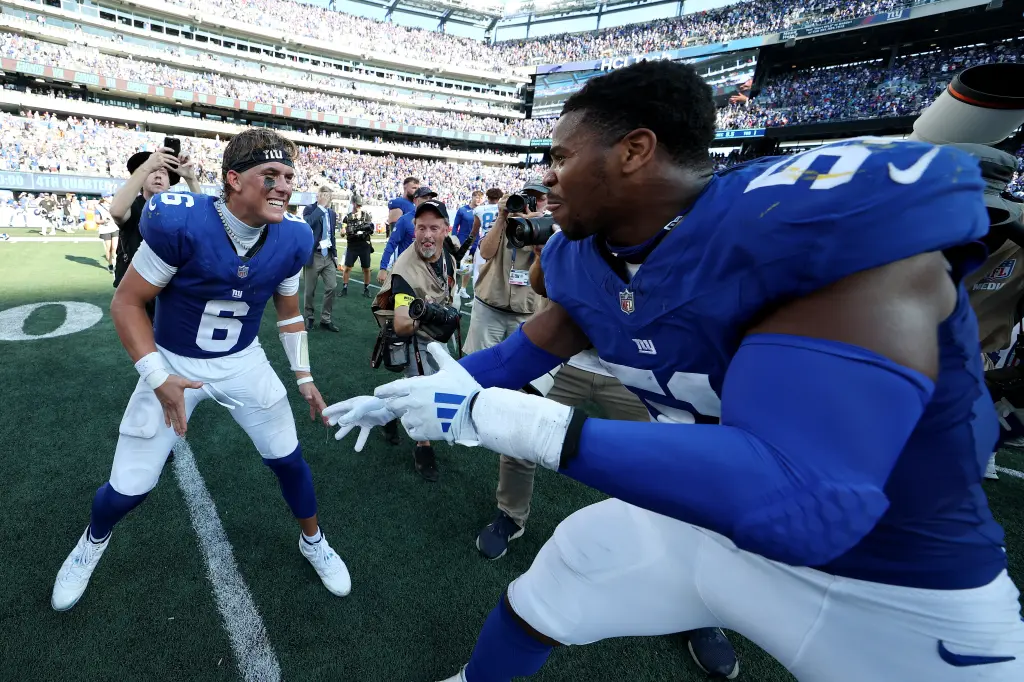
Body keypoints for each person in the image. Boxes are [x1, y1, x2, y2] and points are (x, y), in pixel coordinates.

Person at [326, 60, 1024, 682]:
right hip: (700, 525)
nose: (546, 176)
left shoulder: (806, 232)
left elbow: (805, 500)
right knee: (556, 582)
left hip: (897, 583)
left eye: (559, 156)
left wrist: (509, 419)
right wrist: (420, 392)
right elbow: (516, 357)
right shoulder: (584, 258)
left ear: (634, 150)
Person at [51, 128, 351, 613]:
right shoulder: (182, 222)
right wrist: (158, 377)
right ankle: (92, 540)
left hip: (243, 360)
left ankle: (313, 540)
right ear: (233, 180)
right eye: (269, 175)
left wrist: (304, 377)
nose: (283, 186)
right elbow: (127, 303)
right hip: (173, 360)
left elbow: (289, 311)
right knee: (129, 486)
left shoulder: (294, 236)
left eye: (289, 176)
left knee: (288, 458)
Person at [368, 199, 461, 481]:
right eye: (421, 228)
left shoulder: (447, 249)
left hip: (436, 335)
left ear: (446, 229)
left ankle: (386, 414)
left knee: (410, 390)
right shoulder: (406, 268)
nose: (427, 235)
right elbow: (403, 323)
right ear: (414, 229)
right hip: (414, 337)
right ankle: (423, 446)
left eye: (434, 227)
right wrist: (432, 312)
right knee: (425, 393)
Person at [111, 144, 202, 318]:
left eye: (165, 172)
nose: (159, 175)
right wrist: (146, 166)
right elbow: (116, 211)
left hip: (169, 290)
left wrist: (191, 179)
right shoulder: (134, 206)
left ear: (170, 184)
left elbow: (204, 220)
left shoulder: (178, 208)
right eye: (154, 171)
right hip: (136, 293)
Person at [463, 180, 546, 353]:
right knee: (478, 364)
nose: (533, 203)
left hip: (526, 312)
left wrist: (536, 227)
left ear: (548, 202)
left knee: (518, 370)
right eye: (529, 197)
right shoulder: (504, 221)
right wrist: (502, 217)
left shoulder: (552, 226)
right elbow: (485, 253)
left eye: (539, 198)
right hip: (490, 307)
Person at [378, 186, 438, 284]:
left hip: (427, 272)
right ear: (415, 200)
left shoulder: (434, 220)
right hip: (405, 272)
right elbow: (391, 244)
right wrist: (383, 268)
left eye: (430, 198)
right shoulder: (404, 220)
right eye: (424, 198)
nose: (428, 201)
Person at [302, 186, 340, 332]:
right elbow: (307, 224)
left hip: (328, 255)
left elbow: (332, 235)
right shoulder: (310, 209)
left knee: (332, 286)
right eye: (323, 195)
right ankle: (309, 317)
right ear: (318, 195)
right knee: (310, 290)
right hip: (314, 255)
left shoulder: (332, 213)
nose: (326, 198)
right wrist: (321, 208)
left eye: (328, 196)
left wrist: (335, 254)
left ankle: (326, 319)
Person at [341, 193, 375, 298]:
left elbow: (371, 230)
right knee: (347, 268)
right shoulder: (347, 217)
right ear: (353, 203)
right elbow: (342, 232)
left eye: (360, 205)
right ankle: (345, 288)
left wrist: (363, 229)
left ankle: (366, 288)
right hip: (352, 245)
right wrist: (345, 230)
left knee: (366, 268)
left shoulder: (366, 215)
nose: (359, 206)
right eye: (357, 204)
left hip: (364, 244)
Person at [453, 190, 483, 299]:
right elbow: (455, 226)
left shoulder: (481, 211)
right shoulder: (462, 210)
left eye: (480, 198)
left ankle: (463, 289)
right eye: (477, 197)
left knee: (468, 266)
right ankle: (454, 287)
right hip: (462, 242)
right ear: (473, 197)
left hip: (474, 243)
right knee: (457, 266)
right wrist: (454, 238)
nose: (478, 200)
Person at [95, 196, 118, 274]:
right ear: (104, 198)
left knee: (115, 247)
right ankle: (110, 264)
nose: (111, 198)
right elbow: (97, 221)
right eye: (109, 197)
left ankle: (117, 264)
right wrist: (104, 221)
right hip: (105, 229)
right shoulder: (98, 207)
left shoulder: (114, 205)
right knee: (109, 248)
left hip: (115, 227)